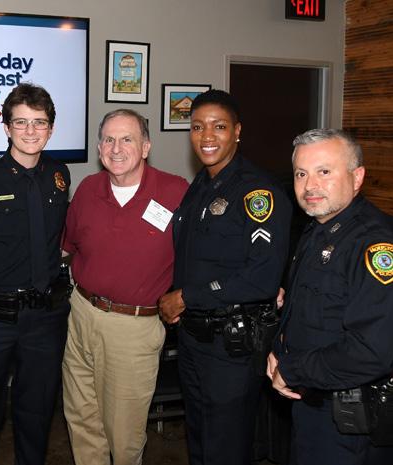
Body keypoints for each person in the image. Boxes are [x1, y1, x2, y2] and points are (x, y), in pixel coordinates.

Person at [158, 89, 292, 465]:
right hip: (193, 339)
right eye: (197, 127)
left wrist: (186, 297)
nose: (207, 136)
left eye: (218, 127)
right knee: (200, 441)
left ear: (237, 131)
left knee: (226, 447)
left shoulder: (257, 192)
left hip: (230, 347)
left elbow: (261, 278)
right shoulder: (200, 186)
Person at [0, 83, 71, 465]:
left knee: (37, 416)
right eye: (21, 122)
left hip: (45, 319)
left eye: (39, 122)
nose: (30, 130)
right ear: (6, 128)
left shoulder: (59, 175)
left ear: (51, 129)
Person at [62, 109, 188, 465]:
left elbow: (202, 253)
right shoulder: (88, 189)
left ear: (146, 147)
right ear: (99, 147)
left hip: (132, 329)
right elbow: (68, 246)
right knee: (81, 419)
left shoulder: (175, 191)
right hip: (81, 314)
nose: (116, 148)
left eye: (127, 139)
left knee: (124, 434)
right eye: (108, 139)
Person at [268, 129, 393, 465]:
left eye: (324, 171)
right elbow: (310, 309)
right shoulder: (317, 229)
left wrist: (293, 367)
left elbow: (372, 351)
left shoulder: (375, 245)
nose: (310, 185)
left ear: (357, 177)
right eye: (301, 174)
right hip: (312, 402)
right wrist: (279, 349)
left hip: (350, 421)